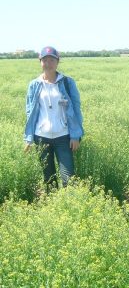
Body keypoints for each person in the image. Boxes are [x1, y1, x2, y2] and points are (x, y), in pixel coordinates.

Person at [24, 46, 84, 190]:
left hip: (63, 137)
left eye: (52, 59)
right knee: (48, 177)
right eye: (44, 59)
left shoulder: (67, 83)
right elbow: (29, 112)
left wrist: (75, 135)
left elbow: (76, 109)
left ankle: (70, 205)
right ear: (40, 62)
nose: (48, 63)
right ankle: (52, 202)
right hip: (41, 137)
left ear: (58, 62)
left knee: (68, 177)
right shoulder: (34, 85)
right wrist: (29, 138)